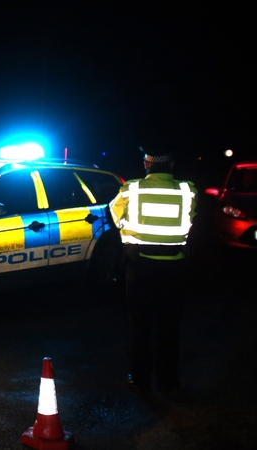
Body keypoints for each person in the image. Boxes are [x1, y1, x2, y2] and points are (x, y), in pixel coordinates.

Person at [109, 146, 197, 395]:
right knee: (170, 326)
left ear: (147, 165)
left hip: (140, 267)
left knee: (140, 325)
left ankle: (141, 379)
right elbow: (192, 218)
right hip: (175, 268)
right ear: (171, 166)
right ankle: (168, 382)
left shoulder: (132, 189)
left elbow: (116, 218)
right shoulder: (187, 189)